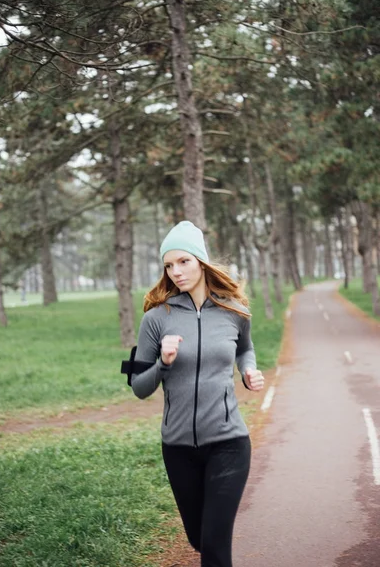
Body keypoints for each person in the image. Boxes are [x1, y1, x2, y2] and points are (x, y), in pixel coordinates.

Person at [124, 221, 264, 567]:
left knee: (215, 545)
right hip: (178, 448)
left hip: (229, 443)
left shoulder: (235, 311)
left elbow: (245, 349)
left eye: (183, 262)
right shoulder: (156, 319)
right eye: (169, 265)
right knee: (199, 538)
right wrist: (163, 363)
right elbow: (139, 387)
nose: (176, 272)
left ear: (201, 261)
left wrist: (248, 370)